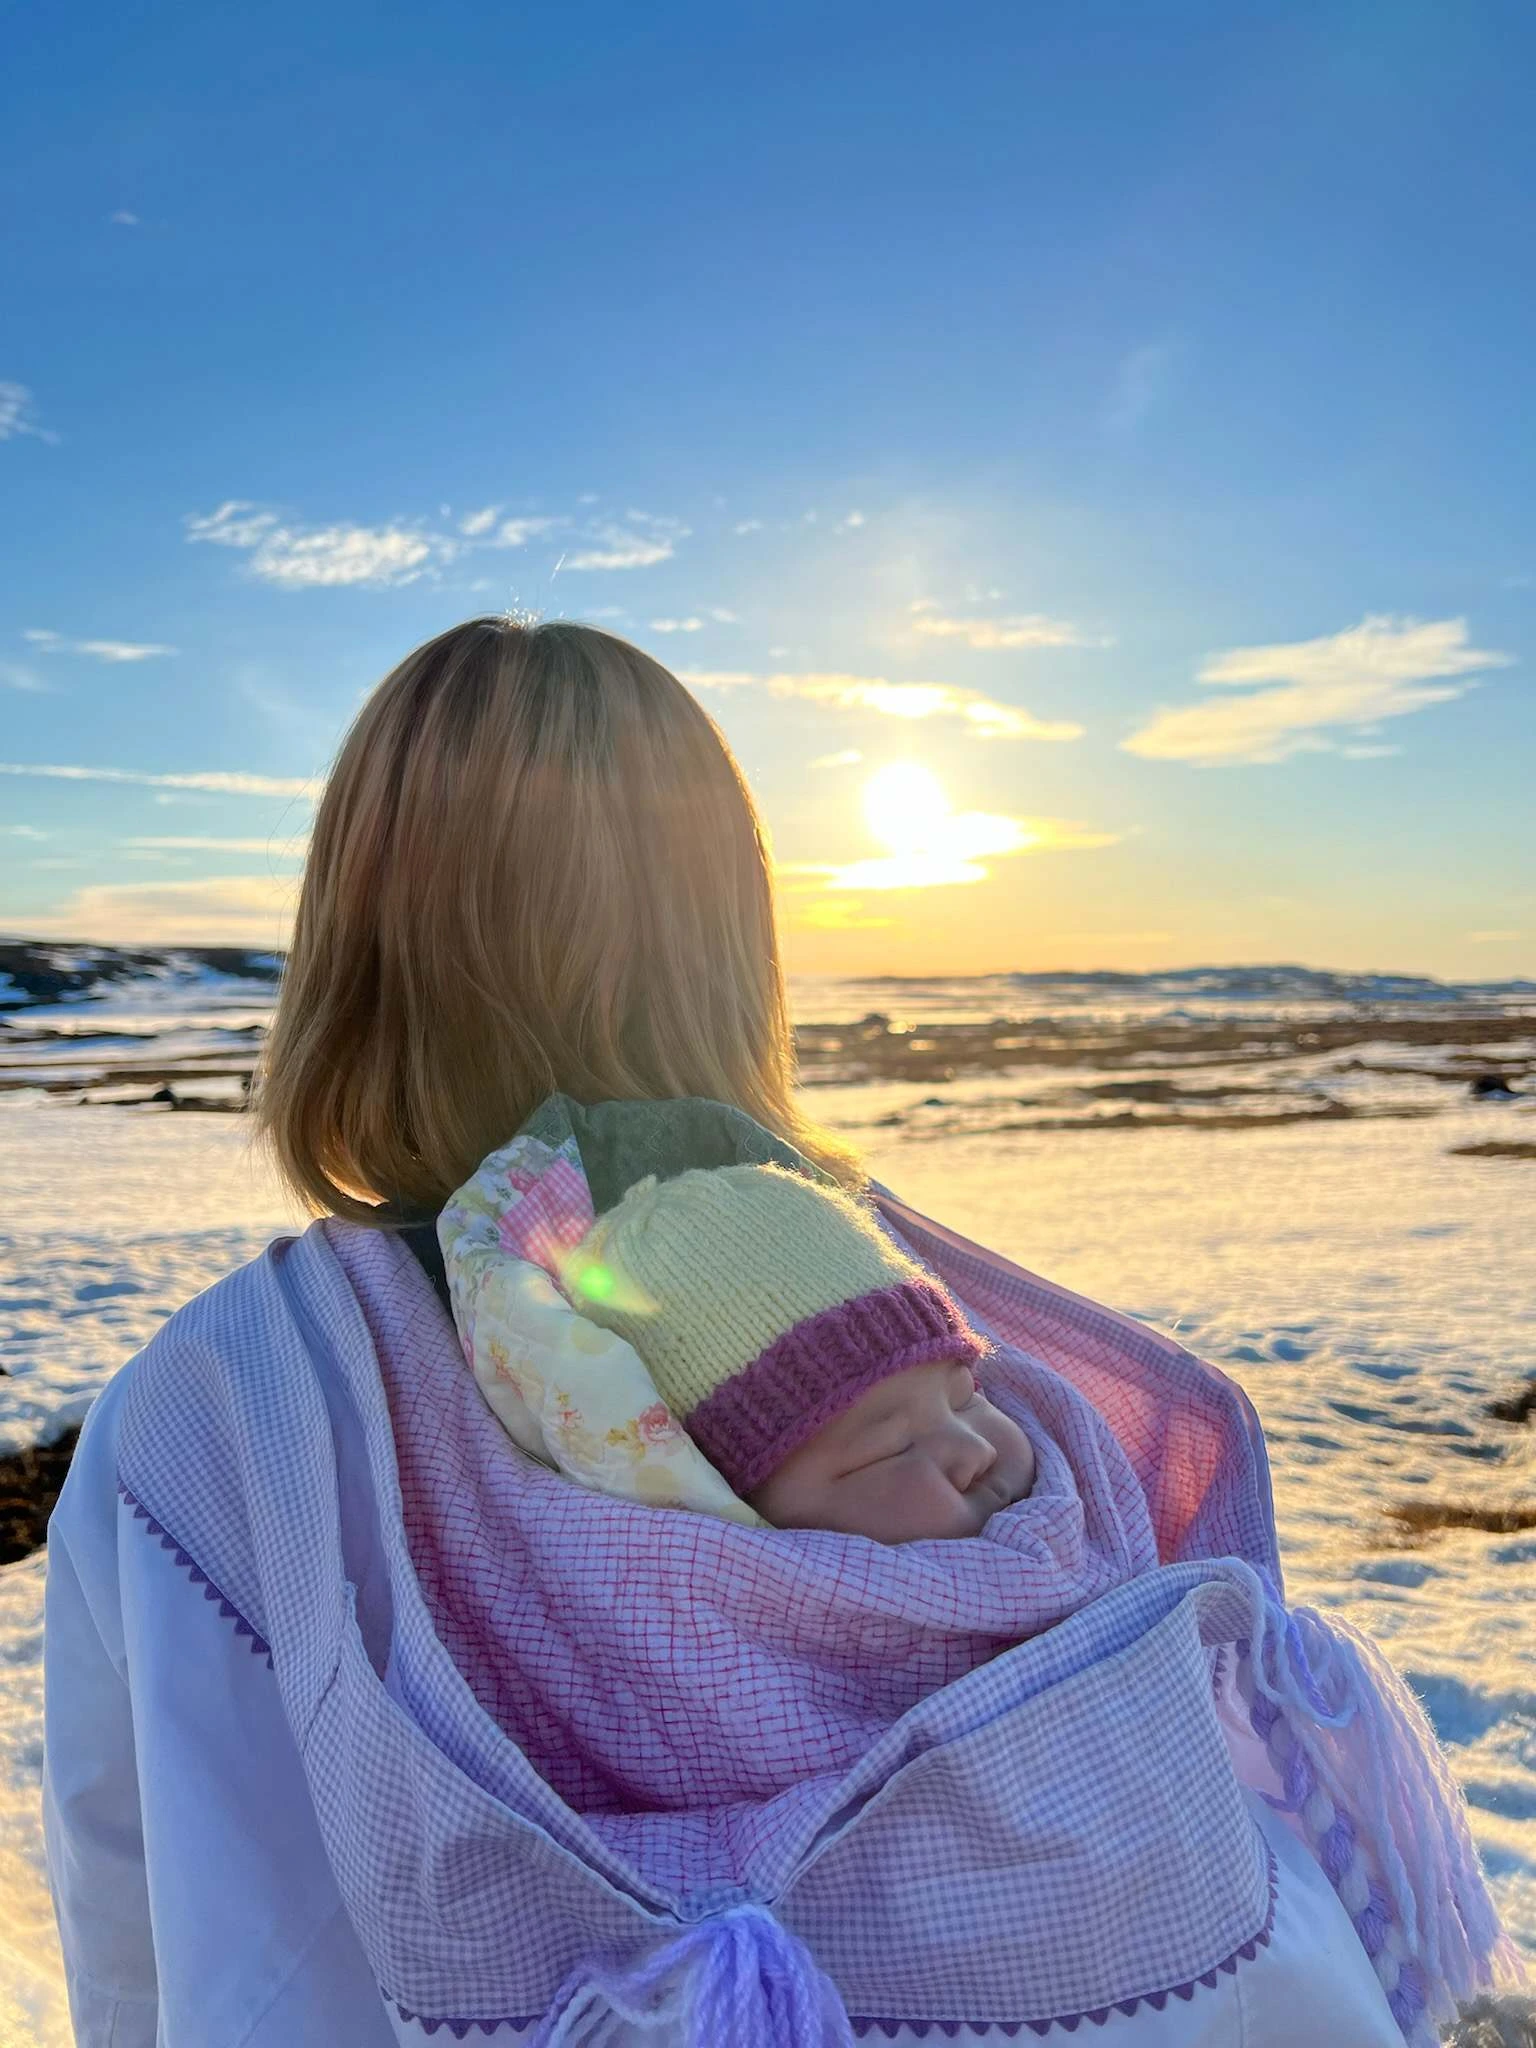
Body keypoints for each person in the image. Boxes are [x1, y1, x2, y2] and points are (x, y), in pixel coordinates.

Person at [42, 620, 1518, 2048]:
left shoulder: (217, 1412)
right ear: (734, 934)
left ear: (352, 946)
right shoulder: (921, 1302)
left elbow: (154, 1914)